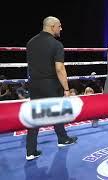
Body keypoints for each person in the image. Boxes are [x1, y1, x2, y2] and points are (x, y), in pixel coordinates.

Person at [26, 16, 77, 160]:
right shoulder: (56, 44)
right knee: (59, 111)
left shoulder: (31, 42)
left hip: (34, 84)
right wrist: (66, 89)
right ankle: (62, 139)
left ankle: (30, 151)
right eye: (59, 26)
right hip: (51, 84)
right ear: (52, 26)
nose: (61, 29)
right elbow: (60, 68)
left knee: (35, 115)